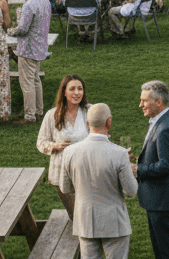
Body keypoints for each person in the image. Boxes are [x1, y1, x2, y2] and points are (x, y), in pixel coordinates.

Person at [60, 102, 138, 259]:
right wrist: (132, 171)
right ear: (109, 122)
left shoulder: (69, 152)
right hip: (114, 223)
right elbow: (131, 191)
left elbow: (65, 188)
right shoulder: (120, 153)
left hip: (85, 222)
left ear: (87, 123)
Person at [133, 80, 169, 259]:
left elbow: (166, 165)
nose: (140, 105)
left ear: (159, 102)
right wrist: (137, 158)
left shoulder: (165, 129)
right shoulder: (162, 121)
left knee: (167, 251)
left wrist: (137, 169)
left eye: (144, 101)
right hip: (158, 199)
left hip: (161, 200)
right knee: (161, 249)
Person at [37, 74, 91, 216]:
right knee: (74, 215)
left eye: (80, 89)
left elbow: (101, 137)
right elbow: (41, 142)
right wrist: (54, 146)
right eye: (72, 89)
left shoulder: (89, 112)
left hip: (86, 171)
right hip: (61, 173)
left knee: (86, 214)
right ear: (64, 92)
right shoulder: (52, 115)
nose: (77, 93)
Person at [7, 0, 52, 125]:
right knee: (35, 80)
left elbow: (23, 29)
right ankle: (39, 110)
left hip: (28, 48)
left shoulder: (29, 4)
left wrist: (9, 31)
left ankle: (29, 116)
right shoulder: (45, 0)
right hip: (40, 46)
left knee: (27, 83)